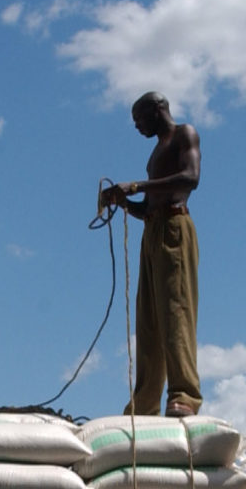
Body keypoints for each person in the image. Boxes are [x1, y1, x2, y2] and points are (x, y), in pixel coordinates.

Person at [96, 92, 202, 418]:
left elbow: (191, 178)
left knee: (175, 310)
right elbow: (146, 209)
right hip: (152, 231)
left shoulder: (185, 134)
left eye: (139, 118)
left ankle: (184, 394)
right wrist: (122, 202)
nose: (137, 126)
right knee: (149, 320)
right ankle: (145, 403)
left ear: (158, 109)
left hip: (174, 227)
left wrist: (137, 186)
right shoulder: (155, 153)